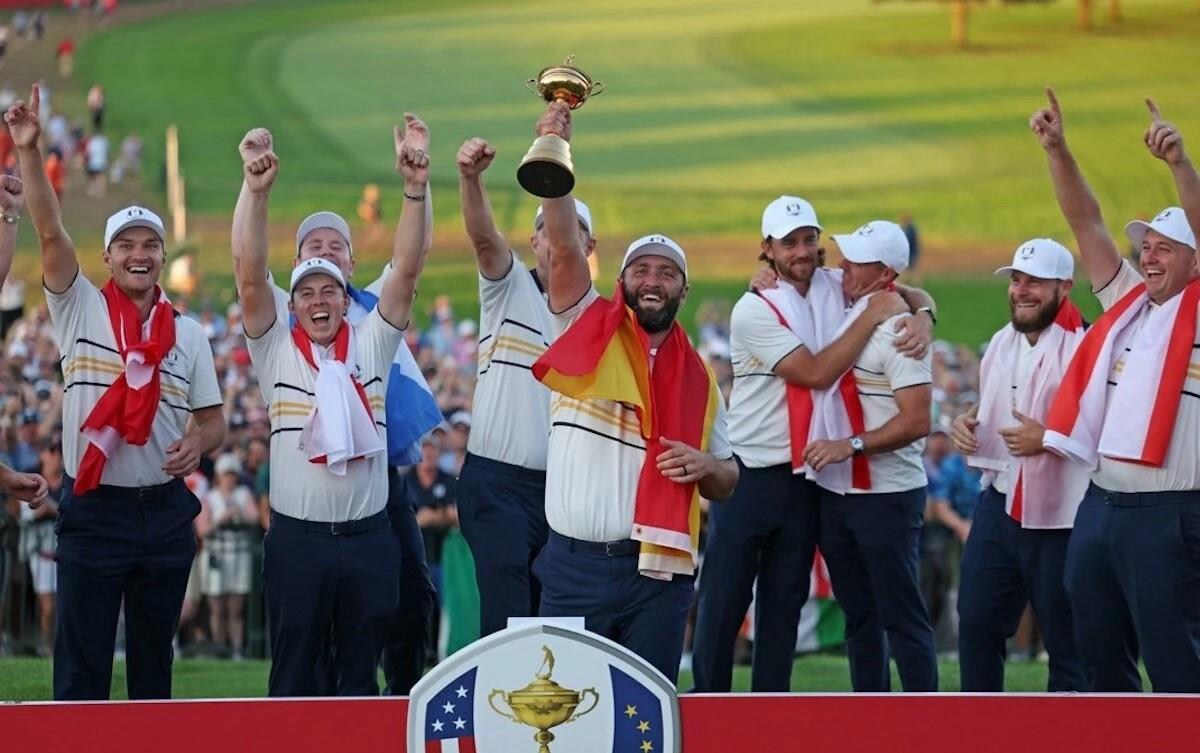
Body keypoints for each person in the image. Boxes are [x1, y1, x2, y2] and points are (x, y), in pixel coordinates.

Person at [7, 84, 225, 700]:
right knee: (82, 665)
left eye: (150, 245)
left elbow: (213, 422)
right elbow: (50, 234)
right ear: (106, 257)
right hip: (96, 509)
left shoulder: (188, 334)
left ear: (162, 258)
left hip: (163, 512)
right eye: (126, 246)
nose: (139, 255)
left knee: (155, 667)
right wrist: (30, 149)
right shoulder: (78, 308)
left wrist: (198, 445)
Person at [530, 100, 738, 683]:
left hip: (658, 575)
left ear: (684, 290)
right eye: (641, 270)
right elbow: (567, 249)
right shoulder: (583, 328)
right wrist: (554, 153)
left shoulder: (702, 381)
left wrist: (704, 466)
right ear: (619, 282)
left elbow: (730, 478)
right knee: (565, 725)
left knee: (644, 720)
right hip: (572, 565)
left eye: (666, 272)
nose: (653, 280)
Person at [235, 123, 441, 694]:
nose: (320, 300)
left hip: (368, 538)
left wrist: (415, 187)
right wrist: (256, 193)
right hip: (298, 542)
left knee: (358, 682)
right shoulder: (274, 348)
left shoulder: (372, 339)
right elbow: (250, 275)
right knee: (296, 675)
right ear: (293, 304)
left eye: (330, 289)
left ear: (346, 293)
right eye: (307, 291)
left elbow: (406, 269)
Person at [690, 196, 911, 692]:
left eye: (810, 239)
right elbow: (814, 373)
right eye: (789, 242)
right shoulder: (754, 307)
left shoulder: (838, 286)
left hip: (803, 476)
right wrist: (871, 316)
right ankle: (708, 705)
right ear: (766, 249)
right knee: (725, 599)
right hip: (749, 474)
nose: (803, 251)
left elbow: (901, 293)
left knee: (784, 603)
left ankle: (770, 713)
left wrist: (922, 314)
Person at [1032, 89, 1200, 692]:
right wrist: (1057, 151)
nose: (1148, 257)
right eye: (1146, 247)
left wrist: (1180, 165)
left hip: (1170, 512)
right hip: (1101, 505)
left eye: (1166, 249)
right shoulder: (1129, 302)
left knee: (1176, 659)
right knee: (1098, 653)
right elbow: (1086, 220)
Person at [454, 136, 596, 636]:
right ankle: (500, 708)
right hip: (497, 483)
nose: (557, 242)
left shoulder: (599, 317)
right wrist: (471, 179)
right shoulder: (508, 285)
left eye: (571, 234)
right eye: (547, 232)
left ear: (589, 249)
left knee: (552, 613)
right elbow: (486, 240)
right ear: (533, 241)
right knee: (510, 606)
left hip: (562, 488)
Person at [802, 220, 937, 692]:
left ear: (882, 274)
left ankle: (925, 724)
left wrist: (849, 445)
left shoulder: (901, 331)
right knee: (859, 618)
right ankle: (871, 720)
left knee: (901, 617)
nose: (841, 265)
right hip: (840, 493)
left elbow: (917, 420)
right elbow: (915, 292)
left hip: (887, 495)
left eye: (855, 260)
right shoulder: (855, 303)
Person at [949, 238, 1089, 691]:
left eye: (1035, 282)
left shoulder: (1085, 345)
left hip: (1062, 512)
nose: (1021, 290)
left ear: (1063, 288)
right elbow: (991, 412)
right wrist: (966, 425)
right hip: (1001, 499)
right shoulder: (1002, 343)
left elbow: (1106, 429)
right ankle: (979, 728)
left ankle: (1069, 734)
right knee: (975, 619)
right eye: (1016, 279)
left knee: (1066, 636)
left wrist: (1045, 437)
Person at [195, 453, 257, 660]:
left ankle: (237, 649)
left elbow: (254, 517)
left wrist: (238, 512)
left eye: (232, 474)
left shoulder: (243, 494)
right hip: (216, 557)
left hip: (239, 554)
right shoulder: (210, 497)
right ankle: (219, 647)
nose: (229, 478)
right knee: (217, 607)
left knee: (236, 607)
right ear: (218, 476)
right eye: (225, 474)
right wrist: (222, 519)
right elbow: (202, 530)